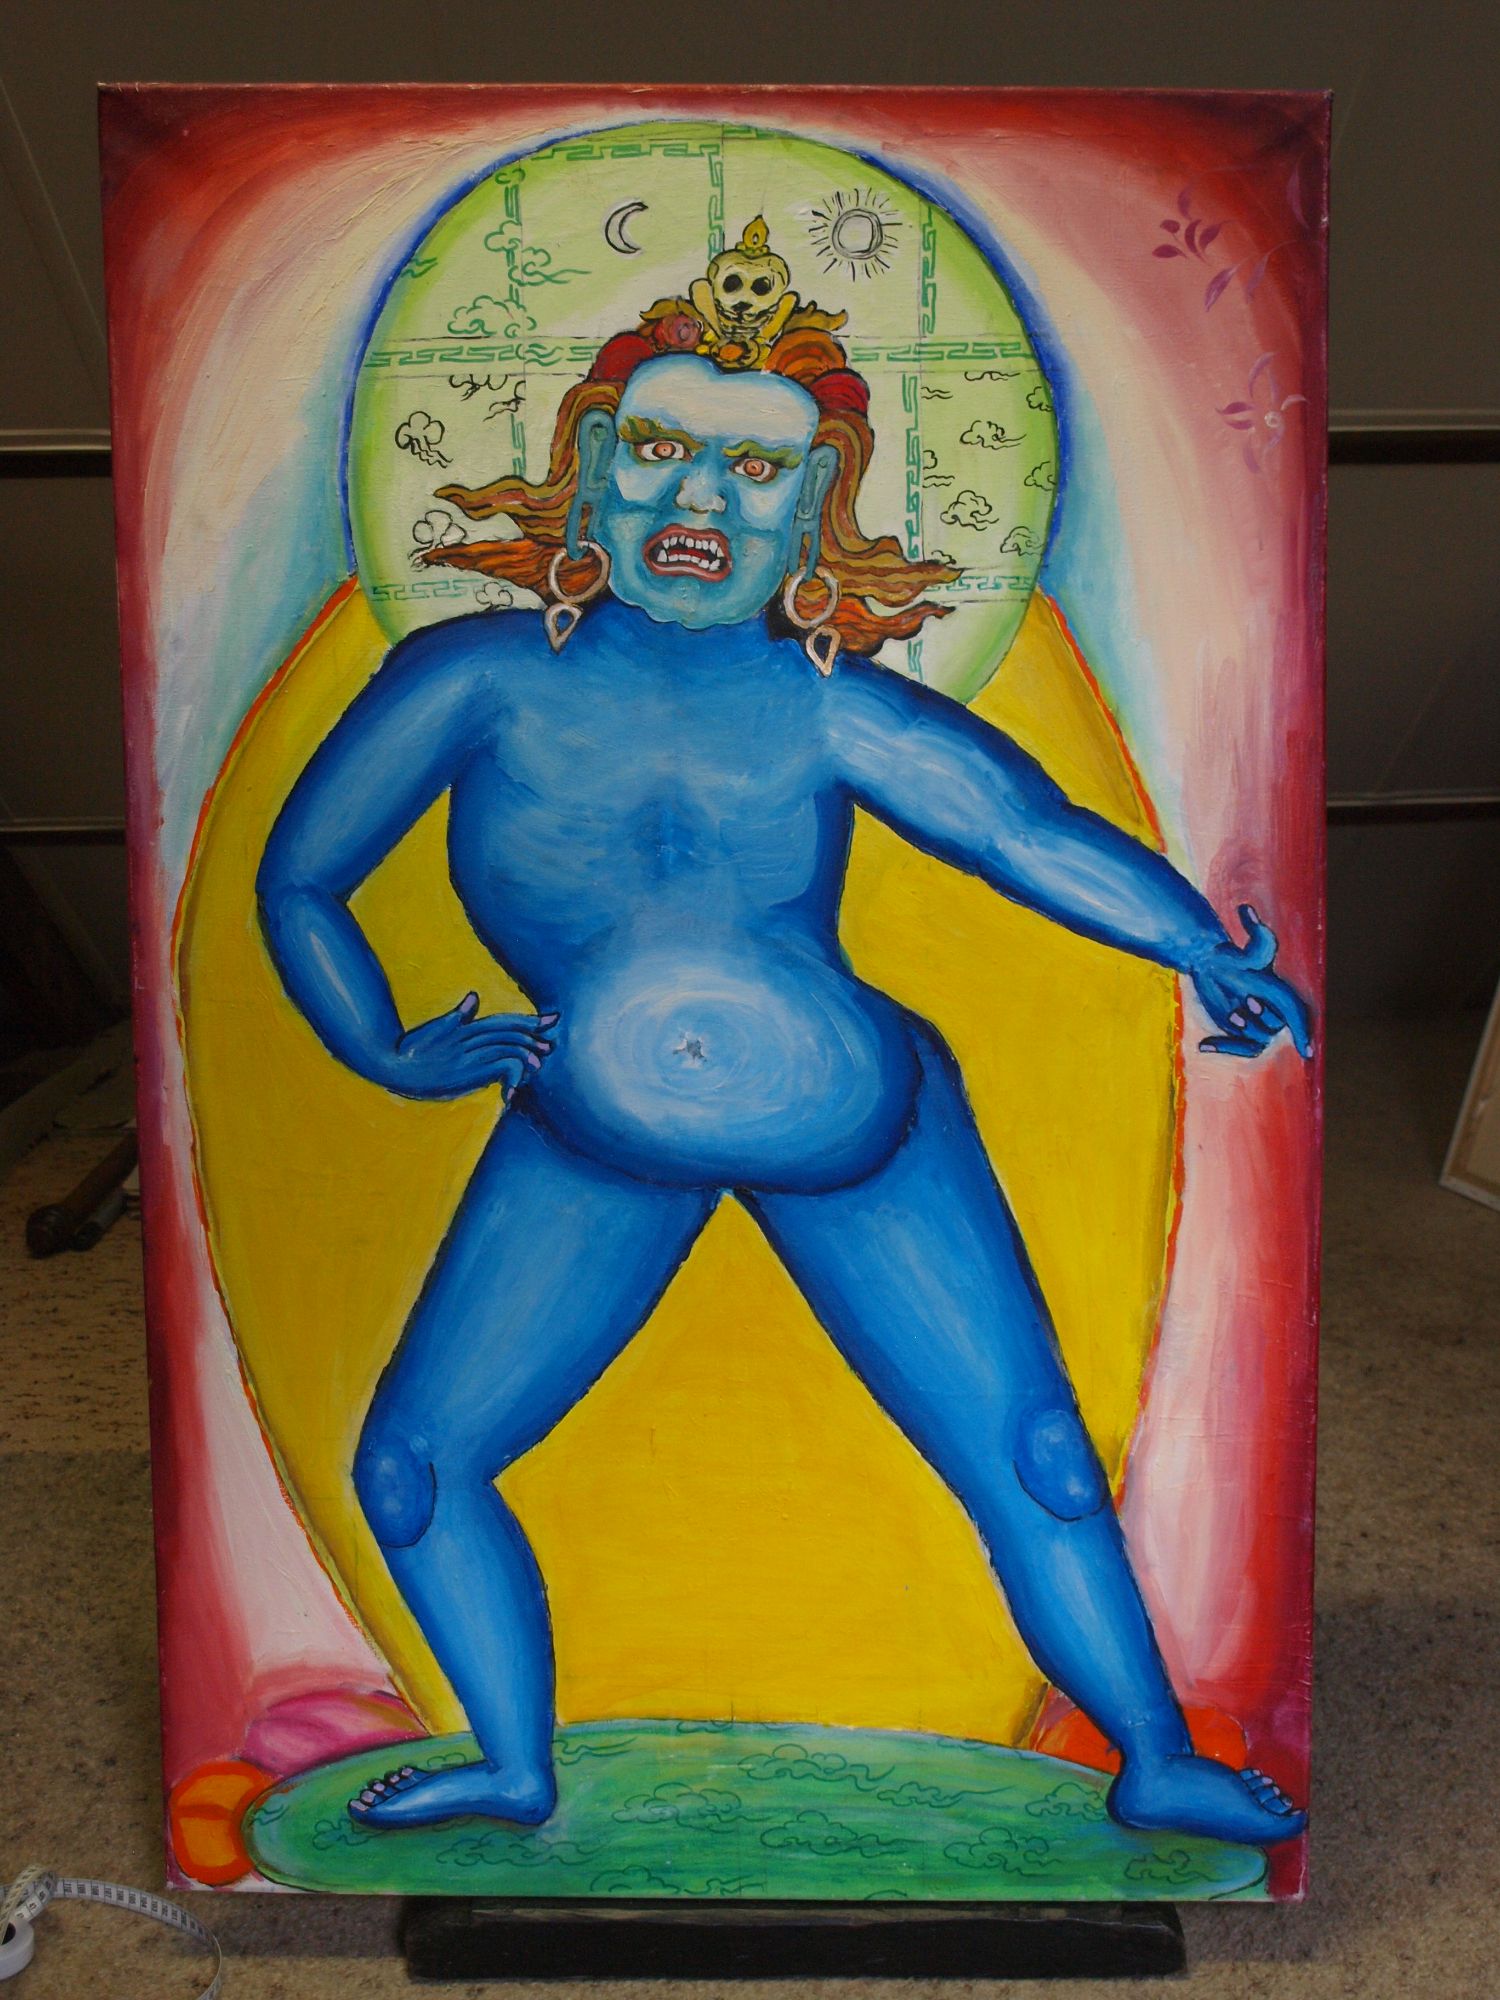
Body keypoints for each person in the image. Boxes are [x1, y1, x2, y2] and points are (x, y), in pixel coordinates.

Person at [257, 224, 1312, 1845]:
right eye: (661, 452)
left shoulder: (831, 701)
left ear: (812, 509)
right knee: (414, 1465)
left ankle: (1158, 1758)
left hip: (863, 1126)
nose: (700, 499)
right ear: (590, 469)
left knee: (1036, 1456)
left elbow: (1022, 830)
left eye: (756, 472)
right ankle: (515, 1764)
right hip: (590, 1128)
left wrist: (1196, 947)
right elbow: (303, 879)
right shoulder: (472, 679)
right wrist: (381, 1045)